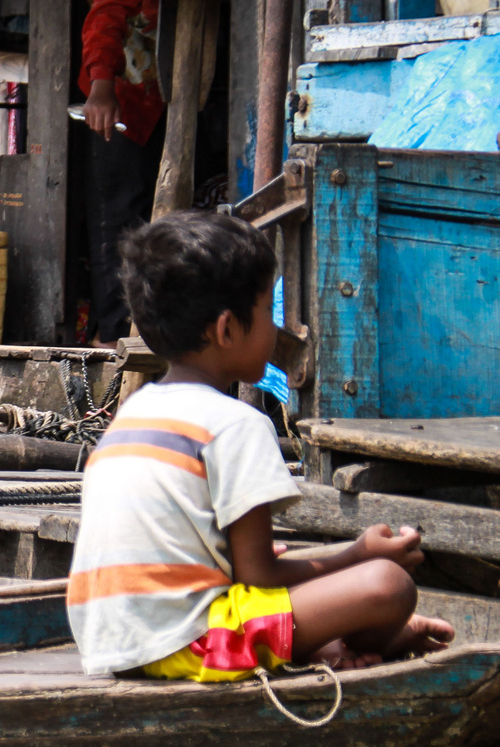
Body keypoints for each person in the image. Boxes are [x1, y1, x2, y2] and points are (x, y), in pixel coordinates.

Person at [68, 212, 453, 679]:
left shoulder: (133, 413)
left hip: (113, 642)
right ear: (227, 329)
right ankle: (364, 638)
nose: (277, 330)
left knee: (289, 563)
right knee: (388, 584)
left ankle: (322, 644)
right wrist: (358, 555)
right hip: (188, 642)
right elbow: (258, 579)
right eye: (270, 311)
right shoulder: (237, 424)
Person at [80, 0, 223, 349]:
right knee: (119, 222)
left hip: (173, 96)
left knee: (160, 219)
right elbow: (107, 11)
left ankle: (154, 330)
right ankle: (114, 336)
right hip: (127, 100)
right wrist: (102, 88)